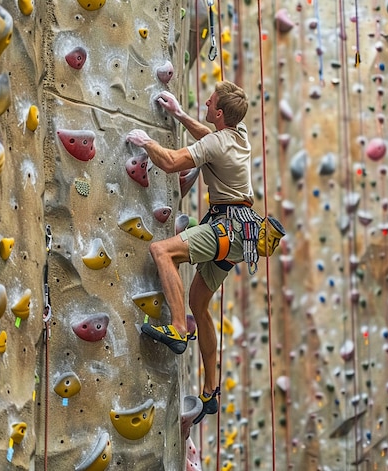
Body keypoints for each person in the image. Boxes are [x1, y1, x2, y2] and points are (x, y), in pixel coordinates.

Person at [126, 80, 253, 424]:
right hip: (241, 233)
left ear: (220, 114)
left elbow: (169, 162)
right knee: (201, 304)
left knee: (161, 251)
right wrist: (180, 114)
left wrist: (145, 140)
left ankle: (179, 329)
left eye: (211, 102)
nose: (207, 103)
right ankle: (211, 390)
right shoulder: (239, 136)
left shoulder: (219, 141)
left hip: (225, 228)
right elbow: (208, 137)